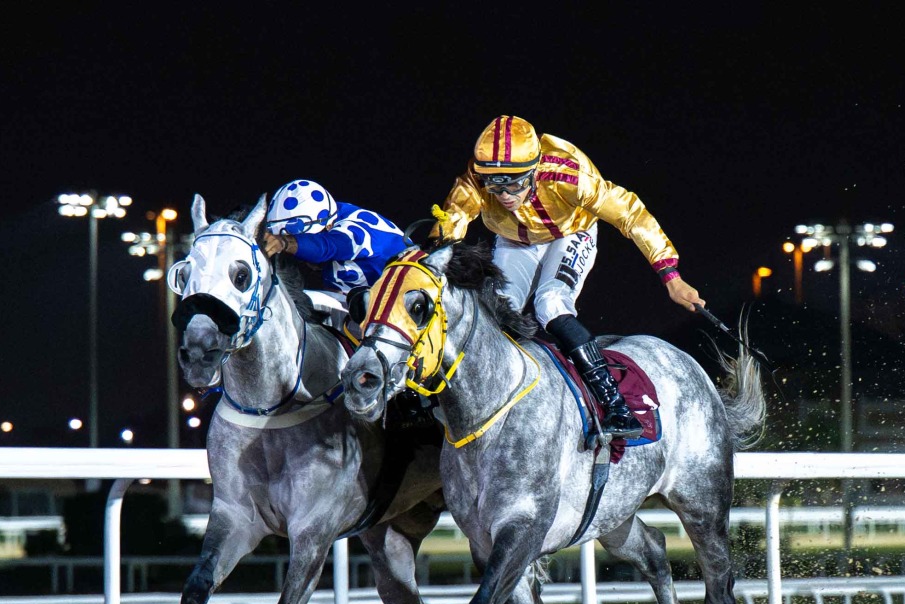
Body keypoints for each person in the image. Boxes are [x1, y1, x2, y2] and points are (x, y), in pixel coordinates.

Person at [429, 115, 704, 440]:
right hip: (514, 239)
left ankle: (614, 404)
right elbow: (453, 219)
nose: (504, 194)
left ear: (535, 170)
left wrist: (669, 274)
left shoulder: (567, 174)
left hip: (570, 233)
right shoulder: (476, 177)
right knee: (496, 312)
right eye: (495, 183)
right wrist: (433, 263)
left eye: (515, 182)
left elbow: (631, 214)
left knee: (550, 303)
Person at [262, 178, 410, 330]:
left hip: (409, 310)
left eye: (310, 237)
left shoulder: (355, 232)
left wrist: (285, 242)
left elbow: (325, 248)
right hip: (376, 302)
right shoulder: (327, 214)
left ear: (329, 225)